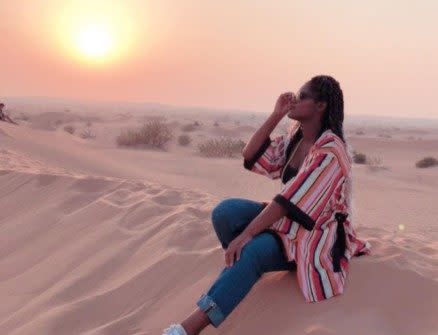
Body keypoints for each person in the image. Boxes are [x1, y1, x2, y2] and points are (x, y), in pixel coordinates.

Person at [162, 75, 371, 335]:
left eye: (303, 96)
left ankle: (186, 329)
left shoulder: (331, 151)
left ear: (321, 105)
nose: (295, 99)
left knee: (253, 251)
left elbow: (288, 202)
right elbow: (250, 155)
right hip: (285, 222)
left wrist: (248, 234)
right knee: (224, 213)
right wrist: (276, 115)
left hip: (313, 235)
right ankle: (242, 272)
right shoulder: (297, 139)